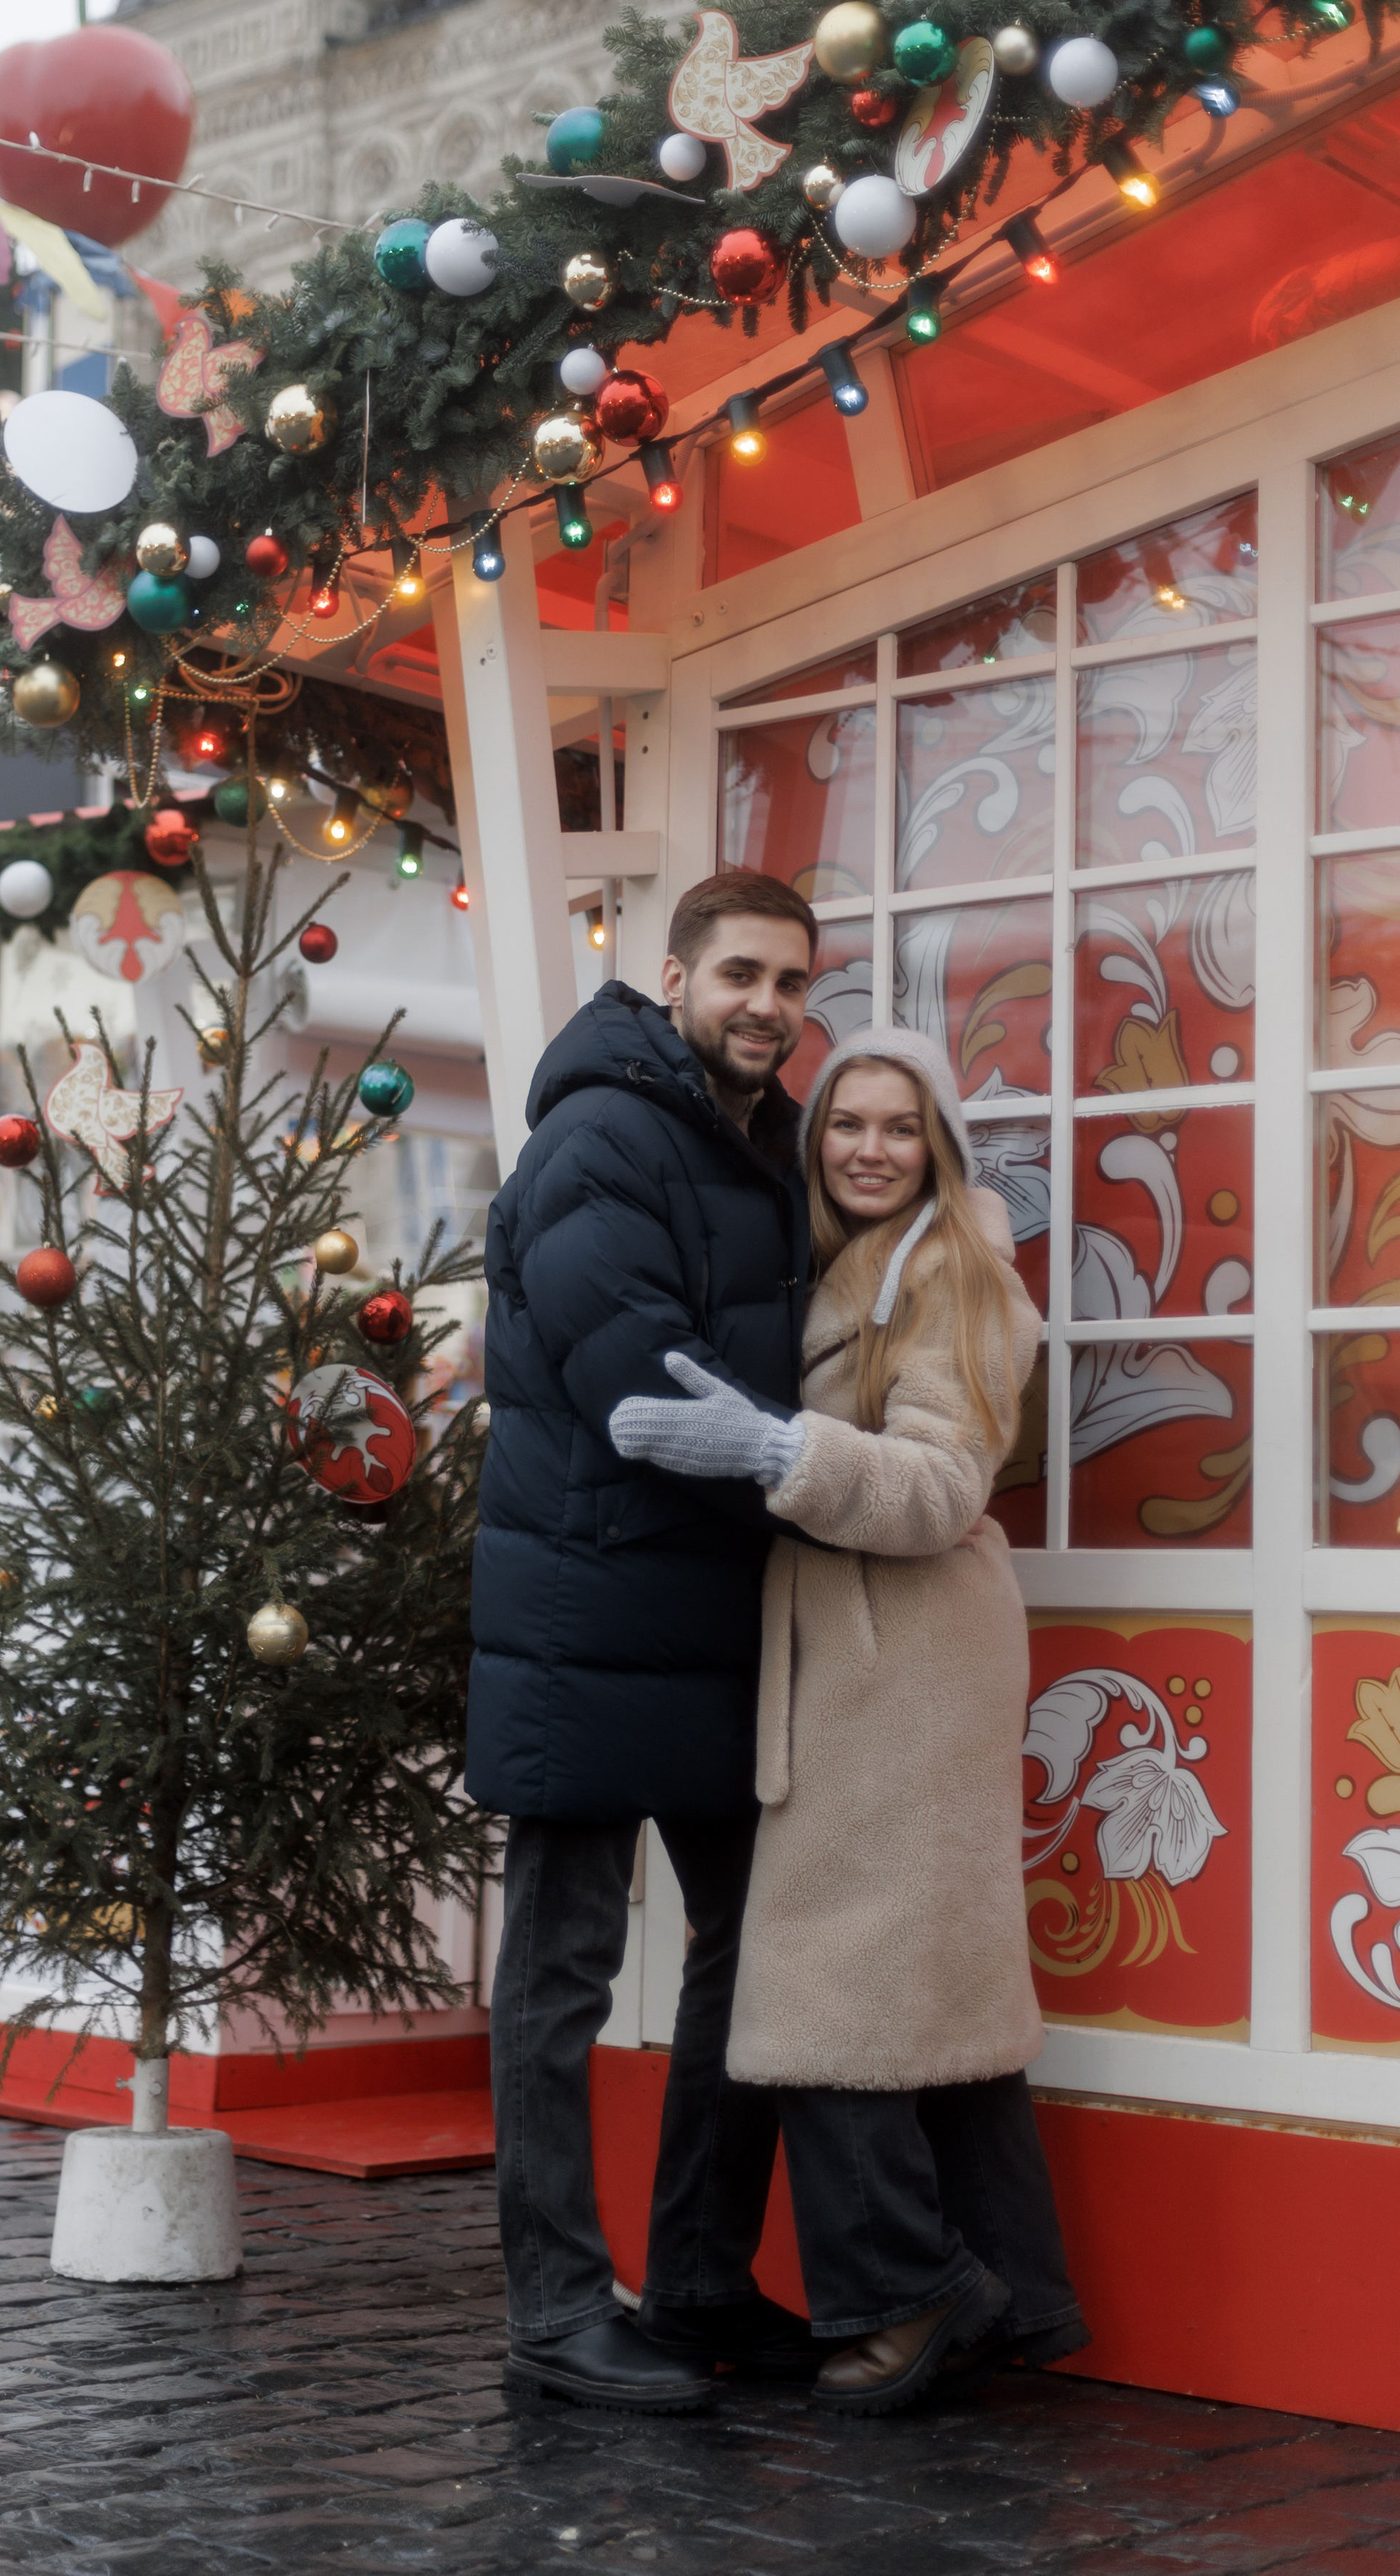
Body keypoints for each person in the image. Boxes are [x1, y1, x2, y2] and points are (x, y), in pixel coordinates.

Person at [609, 1025, 1087, 2417]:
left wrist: (775, 1450)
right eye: (844, 1127)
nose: (867, 1148)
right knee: (929, 1993)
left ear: (934, 1142)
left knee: (831, 1988)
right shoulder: (853, 1270)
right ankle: (1020, 2291)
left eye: (896, 1126)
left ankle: (908, 2292)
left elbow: (941, 1489)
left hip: (905, 1668)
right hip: (875, 1664)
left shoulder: (953, 1276)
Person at [470, 870, 821, 2411]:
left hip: (709, 1610)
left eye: (791, 982)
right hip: (584, 1607)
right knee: (560, 1971)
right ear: (669, 975)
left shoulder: (757, 1139)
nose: (766, 1004)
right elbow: (645, 1380)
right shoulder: (598, 1136)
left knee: (750, 1956)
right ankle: (553, 2307)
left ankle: (691, 2279)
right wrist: (823, 1473)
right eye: (739, 972)